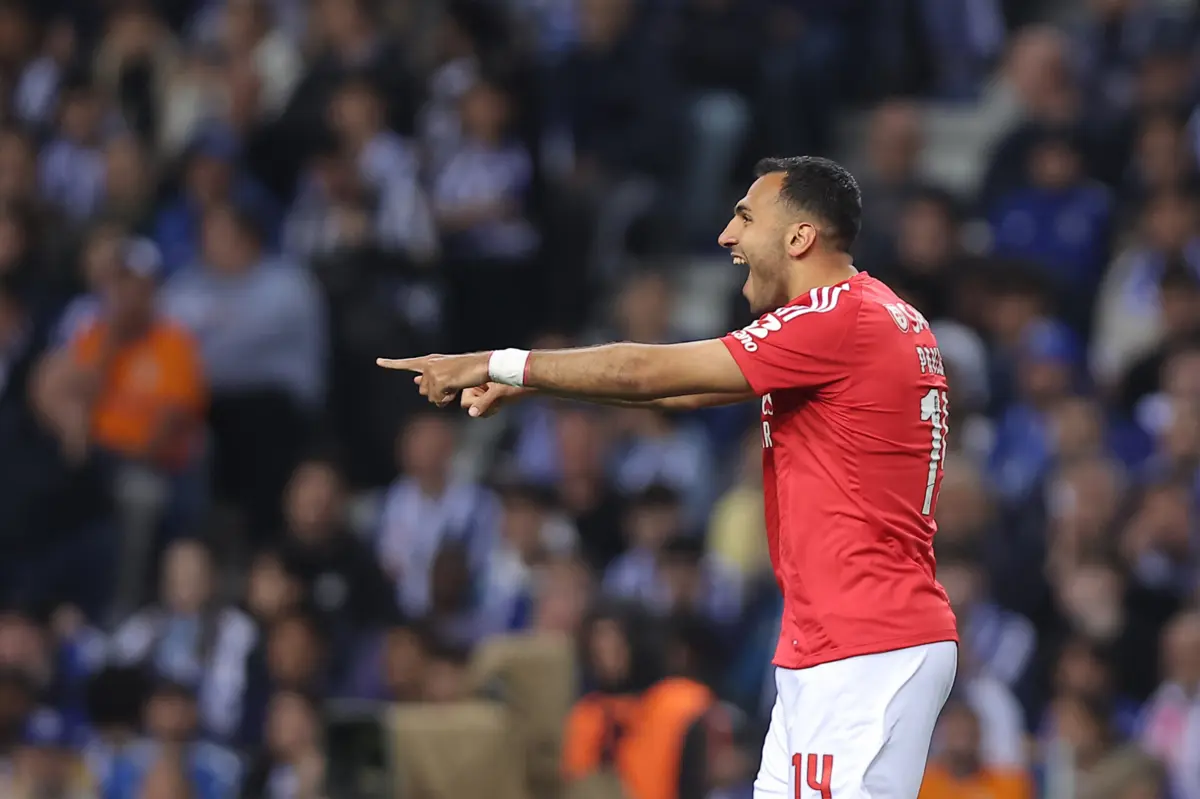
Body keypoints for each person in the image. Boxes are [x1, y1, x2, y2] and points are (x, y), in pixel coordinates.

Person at [379, 156, 959, 798]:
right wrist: (536, 386)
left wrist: (500, 362)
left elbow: (645, 372)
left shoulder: (838, 318)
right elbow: (681, 392)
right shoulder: (869, 316)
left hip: (866, 646)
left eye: (745, 218)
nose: (727, 236)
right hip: (834, 643)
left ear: (799, 237)